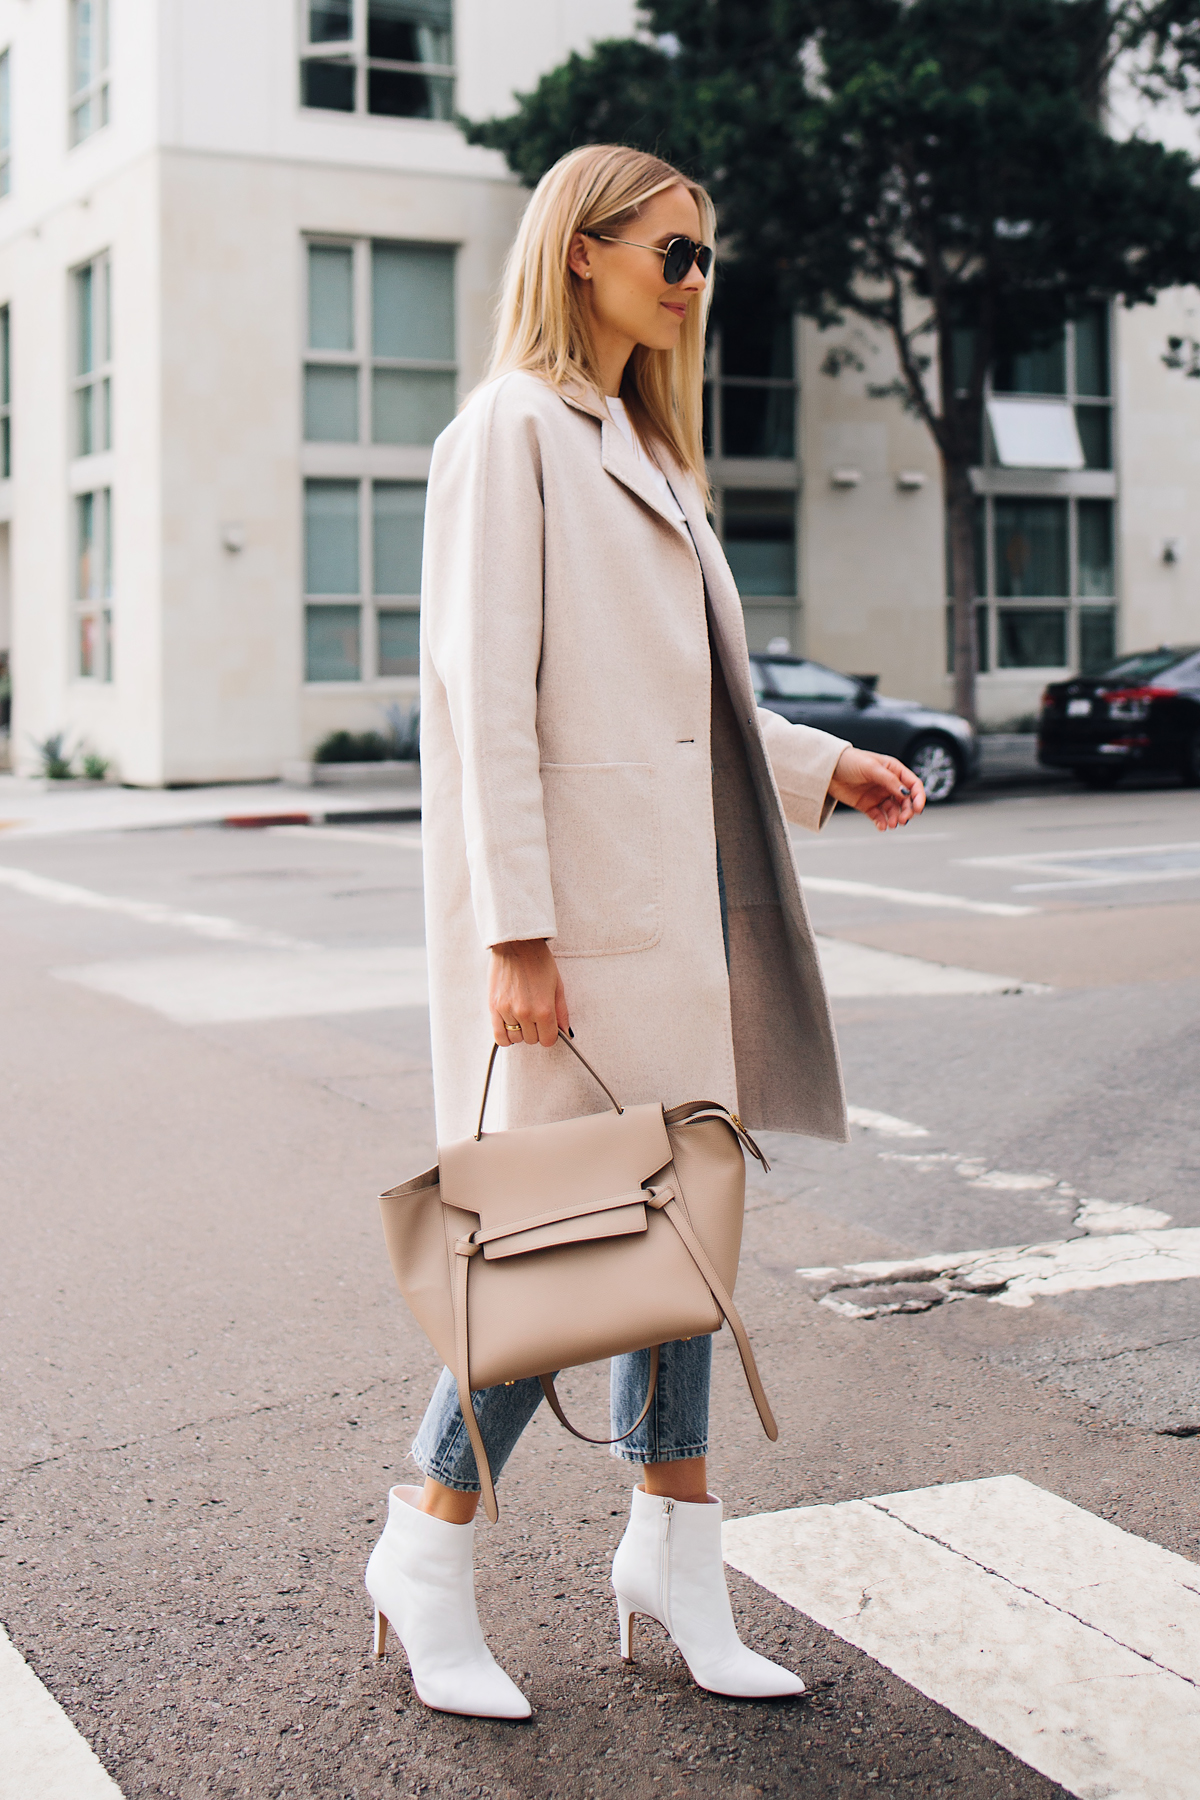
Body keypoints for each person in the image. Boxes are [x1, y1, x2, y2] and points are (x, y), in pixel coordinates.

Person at [365, 144, 925, 1721]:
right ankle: (425, 1540)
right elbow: (485, 702)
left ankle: (674, 1561)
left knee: (680, 1251)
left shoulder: (646, 448)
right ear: (583, 251)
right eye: (672, 255)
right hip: (580, 937)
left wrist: (827, 766)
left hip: (678, 928)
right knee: (552, 1260)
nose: (695, 282)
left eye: (705, 260)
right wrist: (518, 935)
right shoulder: (510, 435)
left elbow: (688, 701)